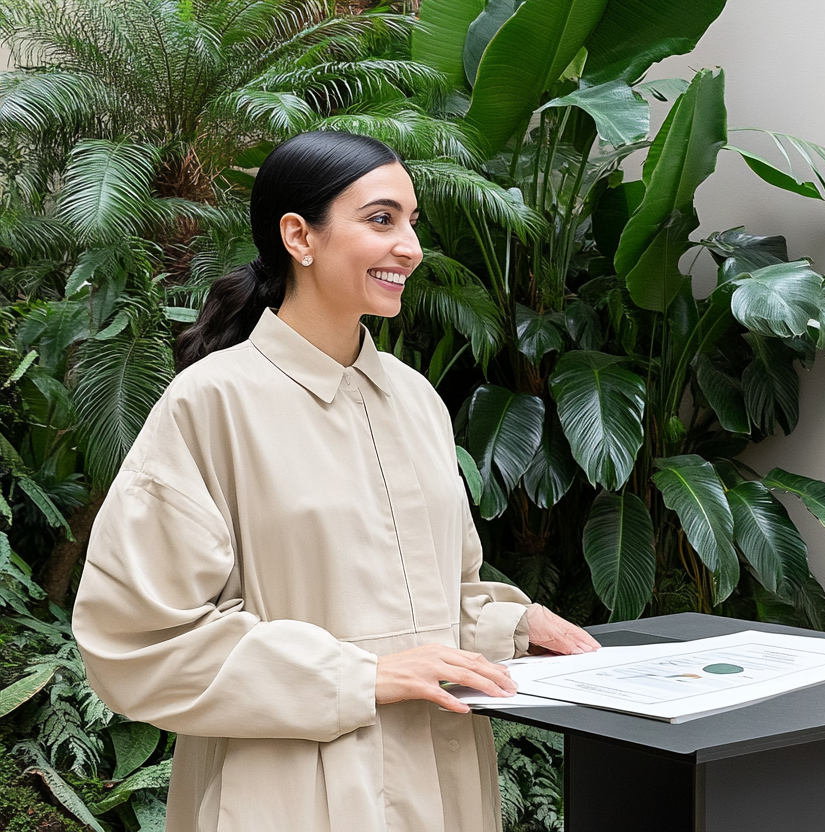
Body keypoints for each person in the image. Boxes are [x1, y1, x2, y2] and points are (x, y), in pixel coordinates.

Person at [72, 130, 599, 832]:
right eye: (381, 220)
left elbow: (442, 592)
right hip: (288, 793)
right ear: (299, 235)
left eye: (412, 223)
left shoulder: (415, 400)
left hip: (441, 778)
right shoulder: (213, 403)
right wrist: (355, 678)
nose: (409, 247)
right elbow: (138, 635)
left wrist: (513, 624)